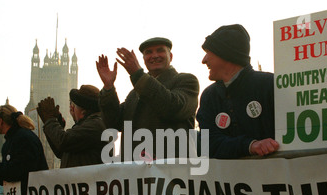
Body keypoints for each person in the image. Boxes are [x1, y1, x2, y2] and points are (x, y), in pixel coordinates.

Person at [96, 37, 200, 160]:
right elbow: (113, 123)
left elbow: (172, 107)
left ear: (170, 56)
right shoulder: (134, 94)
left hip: (171, 172)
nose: (154, 56)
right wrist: (108, 88)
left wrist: (137, 74)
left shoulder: (186, 81)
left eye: (160, 50)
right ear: (144, 60)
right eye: (148, 52)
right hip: (135, 173)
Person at [197, 24, 279, 159]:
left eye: (208, 53)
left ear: (226, 54)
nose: (204, 60)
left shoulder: (270, 85)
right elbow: (207, 145)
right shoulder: (209, 96)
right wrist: (251, 146)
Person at [37, 85, 106, 168]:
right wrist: (56, 124)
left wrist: (50, 120)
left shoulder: (95, 125)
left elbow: (64, 141)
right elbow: (62, 152)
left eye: (72, 104)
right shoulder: (89, 124)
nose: (71, 108)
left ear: (83, 111)